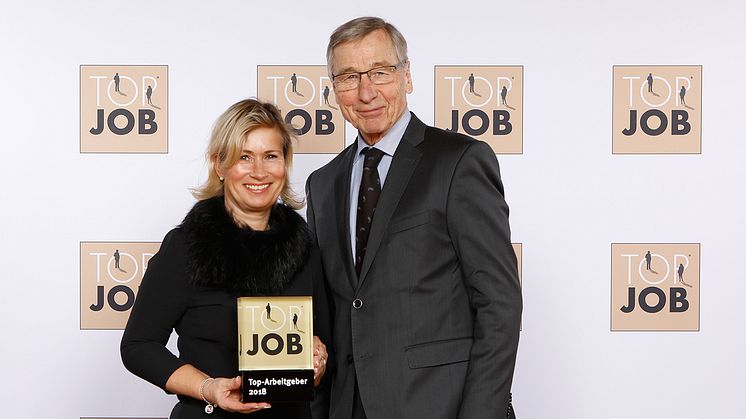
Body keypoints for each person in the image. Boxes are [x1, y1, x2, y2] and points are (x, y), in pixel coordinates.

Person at [305, 16, 522, 419]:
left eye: (380, 72)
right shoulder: (322, 184)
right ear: (333, 89)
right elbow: (331, 311)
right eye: (349, 77)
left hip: (442, 405)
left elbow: (499, 303)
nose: (366, 91)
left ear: (407, 76)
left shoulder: (459, 162)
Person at [121, 99, 331, 419]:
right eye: (244, 157)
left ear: (285, 163)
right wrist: (209, 388)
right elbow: (139, 346)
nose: (259, 171)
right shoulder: (187, 247)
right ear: (219, 164)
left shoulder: (306, 249)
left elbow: (324, 339)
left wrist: (318, 357)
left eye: (270, 156)